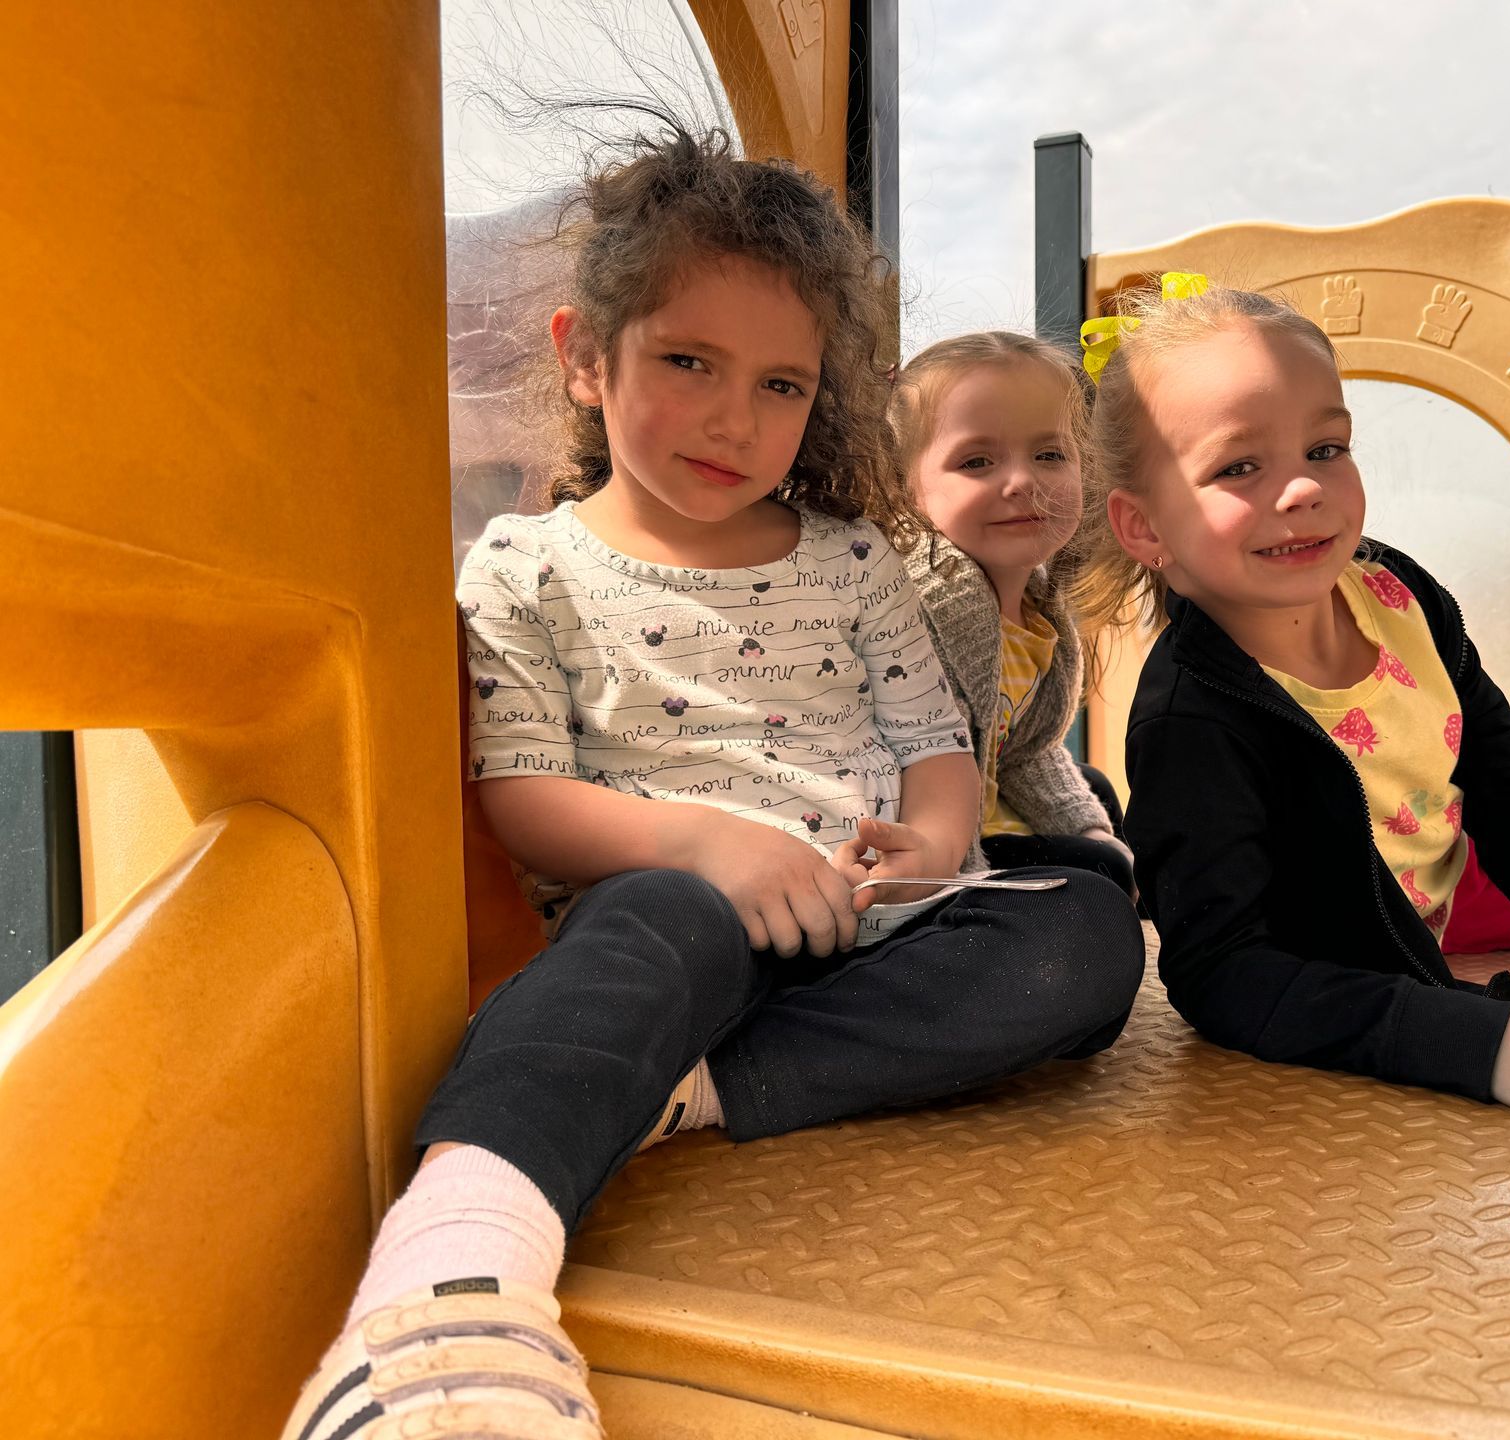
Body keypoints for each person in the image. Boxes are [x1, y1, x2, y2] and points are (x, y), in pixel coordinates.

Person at [281, 120, 1143, 1440]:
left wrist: (926, 847)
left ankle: (679, 1092)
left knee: (1082, 929)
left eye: (781, 384)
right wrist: (704, 844)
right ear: (585, 357)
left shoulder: (852, 561)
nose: (736, 420)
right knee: (653, 928)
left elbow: (939, 751)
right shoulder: (526, 568)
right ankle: (446, 1296)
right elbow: (525, 797)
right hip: (678, 918)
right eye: (689, 362)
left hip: (871, 923)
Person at [1074, 275, 1510, 1153]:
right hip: (1347, 990)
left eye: (1326, 448)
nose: (1303, 490)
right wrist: (1484, 1041)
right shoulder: (1192, 722)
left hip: (1425, 887)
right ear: (1146, 528)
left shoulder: (1395, 591)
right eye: (1239, 467)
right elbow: (1223, 975)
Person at [890, 331, 1132, 892]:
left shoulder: (1037, 602)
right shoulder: (925, 605)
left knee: (1100, 803)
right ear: (906, 488)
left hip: (987, 795)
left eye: (1050, 455)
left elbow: (1022, 751)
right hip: (938, 840)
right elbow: (918, 775)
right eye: (977, 461)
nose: (1022, 481)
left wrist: (1090, 828)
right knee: (1106, 872)